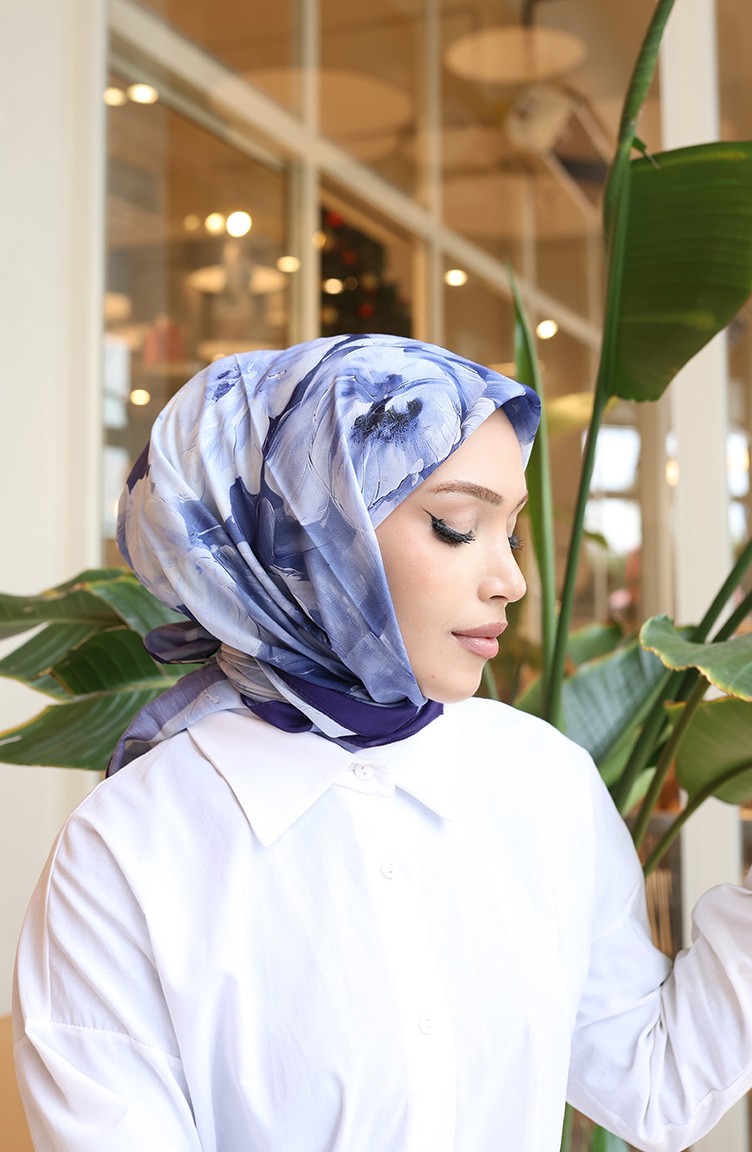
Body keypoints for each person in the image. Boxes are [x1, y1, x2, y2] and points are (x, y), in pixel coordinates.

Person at [11, 333, 752, 1151]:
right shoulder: (126, 848)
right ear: (304, 532)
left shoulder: (542, 778)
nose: (512, 580)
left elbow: (656, 1086)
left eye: (510, 532)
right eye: (456, 526)